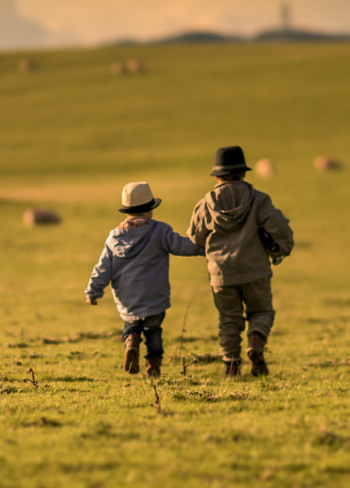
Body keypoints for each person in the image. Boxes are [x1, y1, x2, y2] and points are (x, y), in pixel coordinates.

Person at [188, 146, 294, 377]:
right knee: (262, 311)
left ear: (217, 175)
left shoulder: (206, 203)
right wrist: (281, 250)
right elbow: (280, 229)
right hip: (255, 269)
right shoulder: (259, 199)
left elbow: (195, 237)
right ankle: (255, 344)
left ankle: (231, 367)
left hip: (221, 274)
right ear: (243, 173)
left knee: (228, 320)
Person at [84, 181, 201, 378]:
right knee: (154, 330)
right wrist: (204, 246)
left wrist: (93, 292)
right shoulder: (161, 231)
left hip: (127, 297)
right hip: (155, 295)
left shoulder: (114, 237)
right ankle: (153, 367)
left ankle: (131, 342)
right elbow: (183, 247)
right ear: (150, 210)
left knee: (132, 325)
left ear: (127, 211)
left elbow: (103, 267)